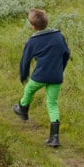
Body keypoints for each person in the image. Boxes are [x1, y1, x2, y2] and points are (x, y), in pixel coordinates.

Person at [13, 8, 70, 147]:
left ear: (32, 26)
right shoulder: (58, 36)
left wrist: (23, 75)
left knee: (29, 89)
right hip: (56, 76)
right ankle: (54, 137)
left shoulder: (33, 41)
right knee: (52, 103)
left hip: (40, 75)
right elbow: (66, 53)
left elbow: (25, 61)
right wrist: (60, 68)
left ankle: (23, 108)